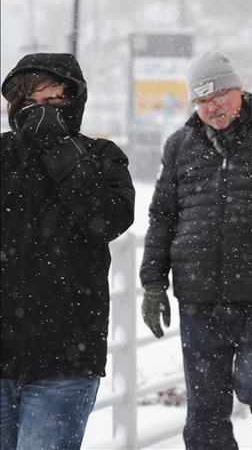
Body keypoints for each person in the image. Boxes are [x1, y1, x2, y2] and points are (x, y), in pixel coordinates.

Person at [139, 51, 252, 449]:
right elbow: (162, 217)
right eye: (201, 101)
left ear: (239, 89)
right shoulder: (179, 146)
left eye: (219, 96)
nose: (212, 107)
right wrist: (153, 282)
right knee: (204, 414)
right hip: (199, 301)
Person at [1, 53, 135, 449]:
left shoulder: (102, 157)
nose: (39, 113)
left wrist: (59, 148)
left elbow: (107, 219)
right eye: (30, 102)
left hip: (65, 359)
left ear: (73, 102)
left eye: (52, 102)